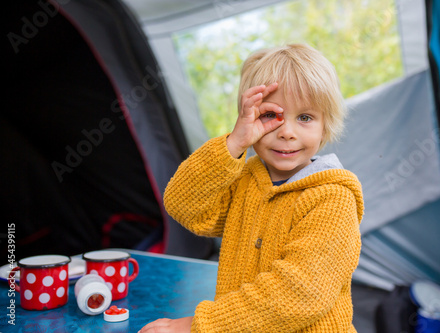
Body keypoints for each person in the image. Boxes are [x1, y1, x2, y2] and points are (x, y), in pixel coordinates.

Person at [139, 43, 364, 332]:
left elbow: (300, 294)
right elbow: (184, 204)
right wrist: (233, 143)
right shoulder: (245, 180)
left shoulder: (333, 199)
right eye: (271, 115)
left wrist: (197, 325)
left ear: (326, 125)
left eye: (305, 118)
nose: (287, 132)